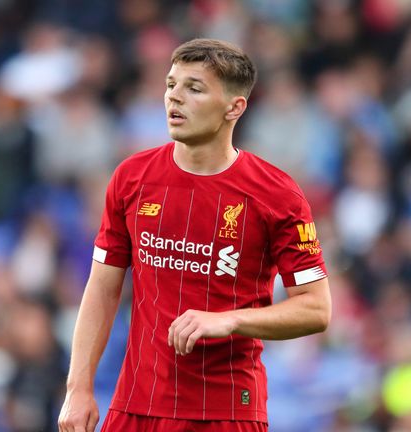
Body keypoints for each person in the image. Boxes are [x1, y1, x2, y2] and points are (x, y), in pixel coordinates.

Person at [58, 38, 331, 432]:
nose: (174, 98)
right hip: (137, 405)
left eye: (194, 88)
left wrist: (230, 321)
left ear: (234, 108)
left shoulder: (277, 194)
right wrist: (78, 388)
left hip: (225, 412)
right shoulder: (132, 178)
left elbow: (317, 309)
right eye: (171, 85)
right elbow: (102, 288)